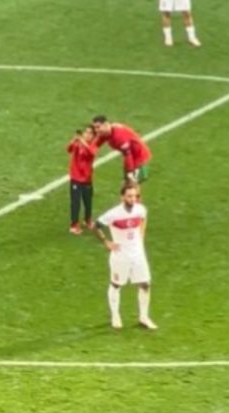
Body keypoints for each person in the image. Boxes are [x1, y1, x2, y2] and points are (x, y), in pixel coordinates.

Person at [93, 183, 157, 330]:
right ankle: (115, 315)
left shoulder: (141, 210)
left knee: (145, 284)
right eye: (129, 196)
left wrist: (141, 236)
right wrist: (106, 242)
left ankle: (144, 316)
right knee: (116, 284)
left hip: (138, 254)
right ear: (122, 197)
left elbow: (143, 219)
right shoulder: (114, 214)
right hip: (120, 255)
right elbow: (96, 226)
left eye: (134, 196)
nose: (132, 199)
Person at [92, 116, 152, 184]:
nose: (96, 130)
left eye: (98, 127)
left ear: (106, 124)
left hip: (138, 157)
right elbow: (97, 143)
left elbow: (128, 155)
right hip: (130, 155)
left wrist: (130, 172)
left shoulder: (119, 137)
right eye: (95, 128)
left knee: (132, 184)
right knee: (127, 184)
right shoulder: (107, 131)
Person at [67, 127, 99, 235]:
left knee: (88, 201)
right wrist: (74, 140)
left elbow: (91, 153)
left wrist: (82, 141)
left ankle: (87, 220)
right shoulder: (78, 144)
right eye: (86, 132)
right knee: (75, 202)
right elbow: (69, 149)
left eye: (90, 133)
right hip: (75, 178)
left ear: (94, 136)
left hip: (87, 178)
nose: (87, 134)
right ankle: (74, 225)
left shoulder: (94, 146)